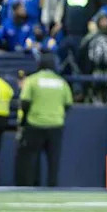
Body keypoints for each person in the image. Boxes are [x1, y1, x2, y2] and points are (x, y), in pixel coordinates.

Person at [15, 54, 72, 186]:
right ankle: (52, 186)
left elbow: (25, 102)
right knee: (53, 160)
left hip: (35, 123)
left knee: (31, 159)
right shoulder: (61, 82)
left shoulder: (32, 80)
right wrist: (58, 114)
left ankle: (31, 186)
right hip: (55, 124)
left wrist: (24, 121)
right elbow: (68, 103)